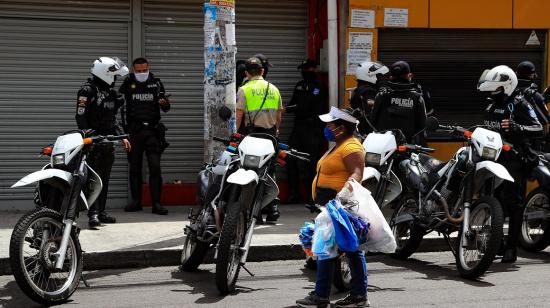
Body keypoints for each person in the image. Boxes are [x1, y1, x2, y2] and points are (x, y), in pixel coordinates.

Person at [296, 107, 368, 308]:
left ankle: (341, 296)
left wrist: (343, 194)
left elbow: (356, 173)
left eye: (330, 124)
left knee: (339, 250)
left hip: (339, 206)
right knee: (332, 249)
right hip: (330, 207)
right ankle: (346, 295)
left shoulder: (352, 147)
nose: (326, 127)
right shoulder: (339, 145)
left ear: (341, 128)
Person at [479, 65, 543, 263]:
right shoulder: (491, 104)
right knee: (490, 199)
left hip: (514, 160)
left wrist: (518, 127)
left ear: (506, 86)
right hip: (491, 159)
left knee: (513, 204)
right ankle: (495, 243)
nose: (491, 92)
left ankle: (511, 248)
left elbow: (538, 127)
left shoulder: (520, 103)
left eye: (495, 88)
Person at [75, 56, 131, 228]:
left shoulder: (110, 93)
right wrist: (87, 138)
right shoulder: (87, 91)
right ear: (105, 73)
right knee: (93, 178)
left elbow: (112, 120)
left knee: (104, 179)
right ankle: (92, 214)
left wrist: (123, 136)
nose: (115, 79)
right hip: (93, 142)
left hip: (108, 142)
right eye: (114, 76)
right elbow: (80, 116)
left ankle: (102, 211)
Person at [119, 57, 170, 215]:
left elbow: (166, 108)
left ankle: (156, 204)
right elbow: (119, 104)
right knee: (134, 168)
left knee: (155, 167)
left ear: (148, 68)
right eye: (138, 71)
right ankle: (136, 202)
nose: (141, 73)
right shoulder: (127, 83)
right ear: (133, 70)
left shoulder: (156, 83)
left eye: (144, 70)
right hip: (134, 131)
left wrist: (165, 104)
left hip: (152, 132)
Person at [236, 56, 284, 223]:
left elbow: (239, 115)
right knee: (269, 171)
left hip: (252, 136)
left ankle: (254, 213)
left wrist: (236, 134)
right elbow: (279, 116)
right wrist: (275, 132)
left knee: (251, 171)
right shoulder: (274, 89)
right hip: (270, 136)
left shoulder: (244, 89)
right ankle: (273, 209)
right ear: (262, 71)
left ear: (246, 72)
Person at [285, 59, 328, 204]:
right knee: (290, 159)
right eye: (303, 69)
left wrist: (290, 109)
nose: (305, 72)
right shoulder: (300, 86)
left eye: (308, 69)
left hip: (313, 129)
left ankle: (312, 195)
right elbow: (293, 103)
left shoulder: (319, 87)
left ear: (314, 70)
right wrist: (287, 108)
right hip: (298, 128)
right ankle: (293, 193)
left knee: (312, 163)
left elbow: (307, 105)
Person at [371, 60, 427, 144]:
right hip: (409, 149)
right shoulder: (417, 98)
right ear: (408, 76)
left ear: (391, 77)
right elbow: (422, 126)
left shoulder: (381, 95)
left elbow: (373, 121)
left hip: (383, 147)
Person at [515, 61, 550, 150]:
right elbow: (545, 120)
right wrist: (541, 100)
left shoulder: (510, 90)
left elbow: (525, 107)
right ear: (531, 75)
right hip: (529, 144)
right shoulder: (534, 94)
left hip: (510, 140)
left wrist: (543, 99)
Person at [350, 61, 389, 135]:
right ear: (369, 76)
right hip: (368, 133)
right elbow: (372, 116)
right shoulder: (368, 92)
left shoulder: (360, 89)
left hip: (361, 130)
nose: (379, 79)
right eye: (377, 76)